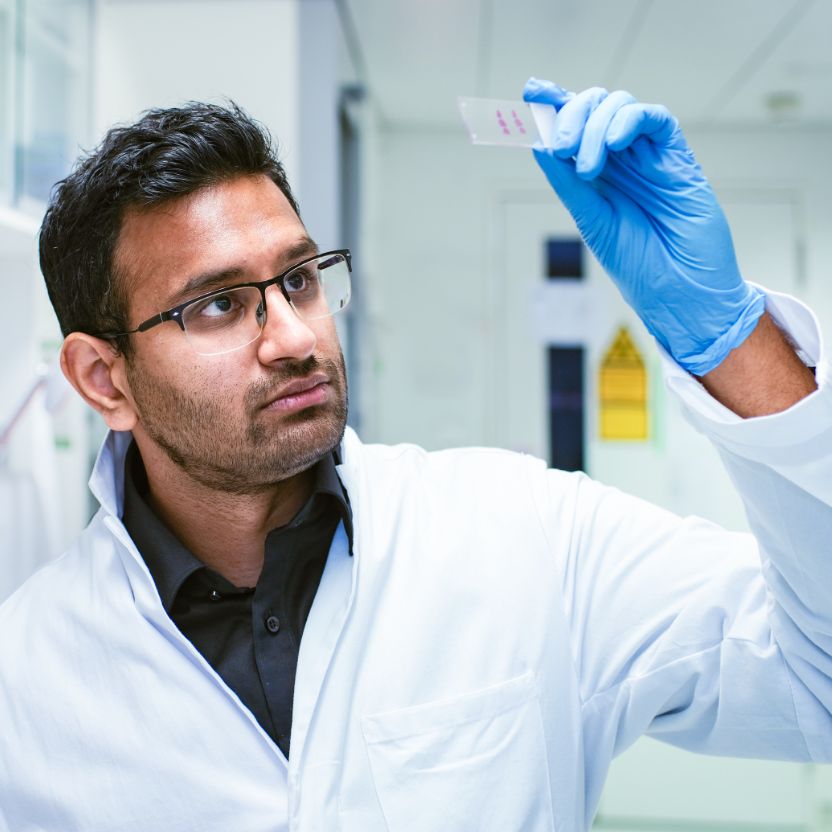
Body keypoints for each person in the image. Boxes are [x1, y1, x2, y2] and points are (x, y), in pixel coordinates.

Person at [0, 77, 829, 832]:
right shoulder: (25, 681)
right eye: (217, 305)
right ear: (104, 379)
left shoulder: (528, 532)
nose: (295, 338)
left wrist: (727, 339)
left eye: (300, 280)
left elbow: (815, 685)